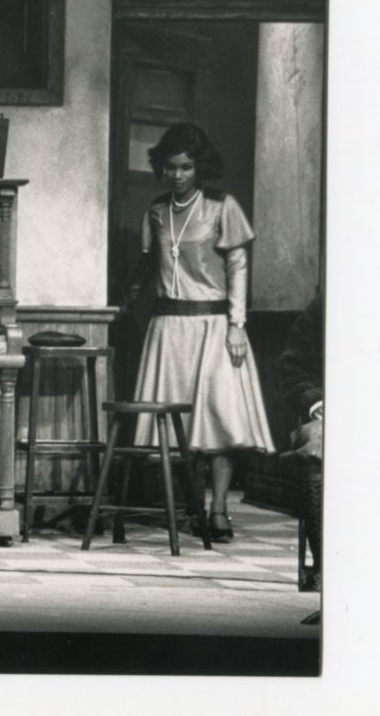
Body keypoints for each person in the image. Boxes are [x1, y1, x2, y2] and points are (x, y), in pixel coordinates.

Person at [123, 122, 273, 543]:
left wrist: (237, 325)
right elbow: (151, 263)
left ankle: (219, 509)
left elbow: (238, 267)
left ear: (199, 167)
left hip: (214, 326)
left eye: (186, 167)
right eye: (171, 167)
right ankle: (190, 506)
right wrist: (130, 295)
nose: (177, 175)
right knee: (179, 429)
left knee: (219, 421)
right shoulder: (156, 211)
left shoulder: (223, 206)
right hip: (169, 328)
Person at [279, 295, 323, 593]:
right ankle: (327, 566)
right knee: (315, 441)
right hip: (338, 415)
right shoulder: (325, 307)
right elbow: (293, 370)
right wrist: (318, 404)